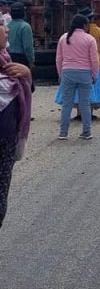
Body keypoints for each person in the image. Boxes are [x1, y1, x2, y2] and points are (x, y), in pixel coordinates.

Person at [0, 23, 33, 228]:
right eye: (0, 25)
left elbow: (26, 90)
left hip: (5, 143)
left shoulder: (7, 62)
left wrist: (27, 74)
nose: (6, 29)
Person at [56, 7, 100, 117]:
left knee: (77, 92)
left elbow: (59, 57)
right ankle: (88, 113)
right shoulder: (97, 31)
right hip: (96, 65)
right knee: (92, 92)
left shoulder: (68, 35)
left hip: (73, 67)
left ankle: (79, 113)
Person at [56, 15, 99, 140]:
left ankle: (63, 133)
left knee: (67, 104)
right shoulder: (89, 39)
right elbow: (94, 59)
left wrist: (60, 74)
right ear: (85, 25)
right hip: (85, 73)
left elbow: (59, 58)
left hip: (67, 72)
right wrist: (95, 75)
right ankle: (87, 131)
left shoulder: (63, 38)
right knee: (85, 103)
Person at [7, 3, 34, 70]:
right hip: (21, 58)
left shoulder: (7, 26)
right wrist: (31, 61)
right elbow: (28, 47)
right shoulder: (25, 26)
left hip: (9, 57)